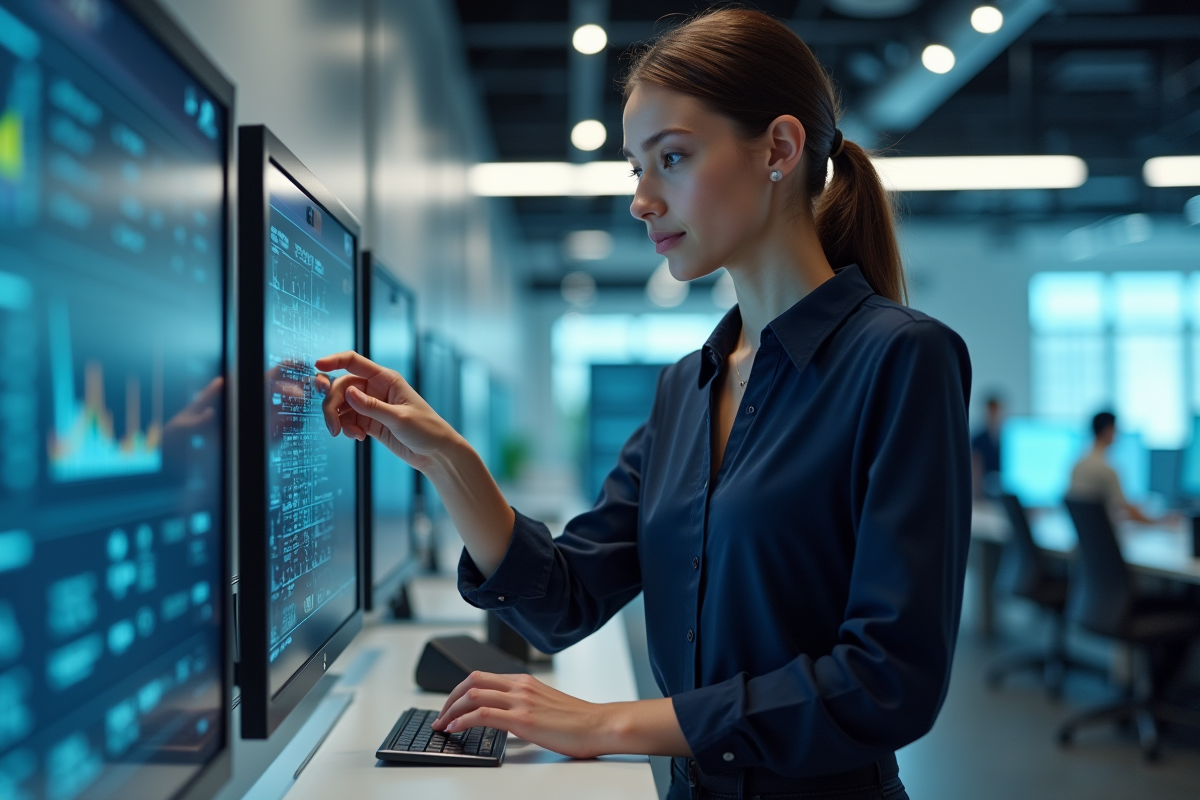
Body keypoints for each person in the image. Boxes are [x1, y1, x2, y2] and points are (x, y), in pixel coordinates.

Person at [317, 10, 971, 799]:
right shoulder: (685, 389)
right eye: (636, 168)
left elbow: (887, 681)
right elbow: (564, 600)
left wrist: (609, 723)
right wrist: (447, 460)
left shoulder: (901, 358)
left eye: (672, 158)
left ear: (780, 149)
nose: (642, 199)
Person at [1067, 411, 1162, 525]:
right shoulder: (1106, 469)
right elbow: (1127, 509)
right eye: (1116, 430)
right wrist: (1159, 522)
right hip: (1104, 535)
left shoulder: (1078, 464)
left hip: (1093, 535)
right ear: (1108, 430)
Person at [971, 394, 1004, 497]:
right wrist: (977, 493)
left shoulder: (1007, 437)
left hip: (1005, 489)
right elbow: (976, 466)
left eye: (996, 411)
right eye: (991, 411)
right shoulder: (979, 438)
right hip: (986, 489)